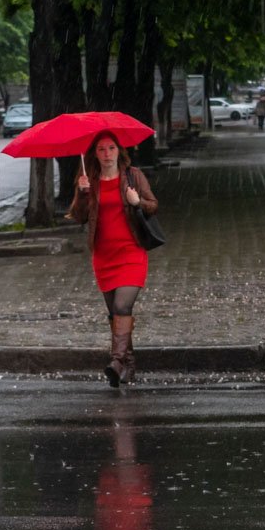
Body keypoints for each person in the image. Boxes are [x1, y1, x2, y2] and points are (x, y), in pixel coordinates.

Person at [69, 132, 159, 387]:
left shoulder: (133, 175)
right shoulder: (89, 180)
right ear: (95, 154)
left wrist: (137, 201)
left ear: (119, 150)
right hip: (103, 256)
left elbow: (153, 205)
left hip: (131, 252)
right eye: (101, 149)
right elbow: (78, 217)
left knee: (122, 307)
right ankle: (127, 368)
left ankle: (117, 361)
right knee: (114, 313)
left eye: (111, 148)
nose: (107, 154)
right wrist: (81, 193)